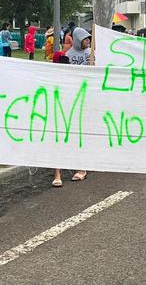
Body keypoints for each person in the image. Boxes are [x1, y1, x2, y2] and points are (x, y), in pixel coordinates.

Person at [63, 28, 91, 182]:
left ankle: (83, 166)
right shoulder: (68, 55)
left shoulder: (90, 54)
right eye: (85, 39)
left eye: (89, 39)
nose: (87, 42)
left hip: (88, 96)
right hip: (73, 96)